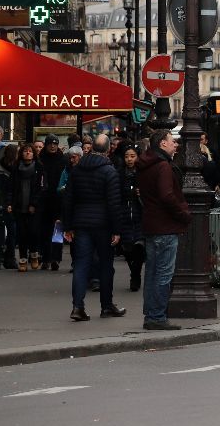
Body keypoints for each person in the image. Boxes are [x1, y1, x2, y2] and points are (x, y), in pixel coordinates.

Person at [62, 135, 125, 322]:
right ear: (107, 150)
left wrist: (68, 225)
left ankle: (77, 306)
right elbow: (114, 203)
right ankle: (106, 305)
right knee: (106, 265)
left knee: (81, 264)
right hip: (103, 224)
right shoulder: (109, 171)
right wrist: (117, 229)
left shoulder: (77, 169)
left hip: (81, 223)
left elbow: (68, 199)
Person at [138, 130, 190, 330]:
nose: (175, 145)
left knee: (152, 273)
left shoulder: (146, 165)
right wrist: (183, 213)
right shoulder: (163, 167)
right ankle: (157, 316)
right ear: (162, 144)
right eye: (172, 141)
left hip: (152, 224)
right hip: (165, 226)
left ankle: (151, 314)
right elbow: (167, 196)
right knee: (163, 274)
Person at [9, 143, 43, 271]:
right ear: (21, 153)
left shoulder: (39, 167)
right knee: (21, 233)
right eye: (25, 151)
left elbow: (42, 187)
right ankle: (23, 259)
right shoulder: (16, 167)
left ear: (34, 154)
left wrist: (34, 204)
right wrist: (9, 203)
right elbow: (11, 187)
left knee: (33, 232)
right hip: (19, 204)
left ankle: (34, 255)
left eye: (30, 151)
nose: (28, 153)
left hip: (34, 205)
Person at [116, 144, 145, 292]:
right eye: (127, 156)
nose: (129, 159)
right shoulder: (119, 175)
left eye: (132, 156)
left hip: (140, 214)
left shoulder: (143, 174)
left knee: (139, 246)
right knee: (127, 248)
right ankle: (134, 271)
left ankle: (135, 275)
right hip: (125, 214)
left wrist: (142, 195)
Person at [37, 136, 67, 272]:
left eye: (55, 144)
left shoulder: (63, 159)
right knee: (44, 230)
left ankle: (55, 258)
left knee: (58, 230)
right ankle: (45, 258)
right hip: (44, 198)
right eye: (50, 144)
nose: (53, 146)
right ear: (46, 145)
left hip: (58, 198)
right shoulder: (40, 159)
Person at [0, 144, 18, 269]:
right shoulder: (13, 169)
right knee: (11, 232)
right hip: (9, 204)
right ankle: (9, 257)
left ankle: (3, 257)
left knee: (5, 232)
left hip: (6, 204)